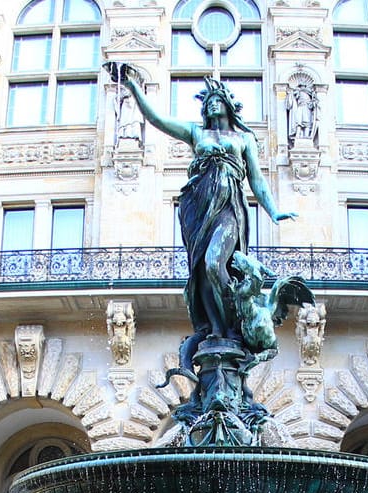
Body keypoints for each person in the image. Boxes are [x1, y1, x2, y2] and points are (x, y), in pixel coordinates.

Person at [111, 63, 295, 367]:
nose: (211, 104)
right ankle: (216, 327)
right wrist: (133, 88)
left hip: (228, 206)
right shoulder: (196, 133)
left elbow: (257, 180)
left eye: (216, 100)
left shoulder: (243, 140)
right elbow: (156, 118)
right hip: (199, 206)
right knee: (201, 271)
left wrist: (273, 211)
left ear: (226, 104)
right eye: (207, 101)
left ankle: (234, 317)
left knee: (214, 263)